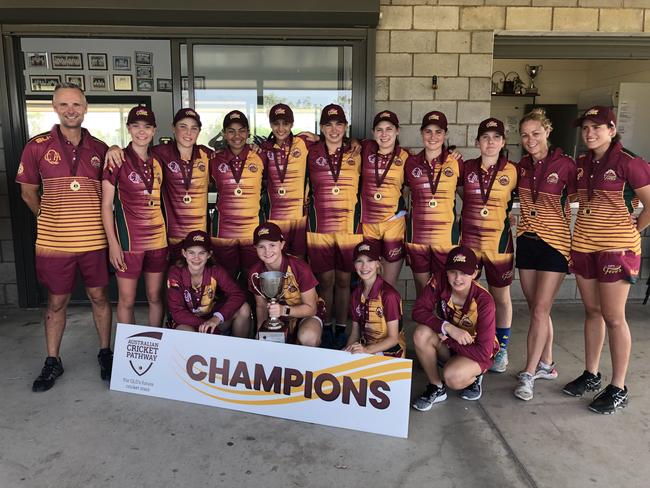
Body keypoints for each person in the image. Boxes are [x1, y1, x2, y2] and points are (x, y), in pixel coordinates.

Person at [16, 83, 113, 391]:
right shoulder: (37, 146)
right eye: (64, 105)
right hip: (54, 244)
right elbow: (28, 192)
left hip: (94, 242)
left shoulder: (100, 148)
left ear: (85, 108)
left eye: (77, 105)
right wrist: (50, 219)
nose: (71, 110)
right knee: (56, 302)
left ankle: (105, 353)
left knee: (99, 297)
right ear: (55, 108)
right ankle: (52, 360)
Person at [563, 106, 650, 414]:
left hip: (617, 249)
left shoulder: (630, 162)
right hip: (585, 245)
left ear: (612, 130)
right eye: (586, 127)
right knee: (593, 311)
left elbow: (649, 204)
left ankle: (619, 386)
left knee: (614, 317)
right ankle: (591, 374)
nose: (590, 132)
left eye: (597, 127)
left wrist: (633, 231)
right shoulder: (583, 162)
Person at [513, 109, 576, 401]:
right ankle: (547, 364)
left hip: (555, 245)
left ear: (548, 132)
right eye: (525, 135)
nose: (530, 139)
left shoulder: (566, 165)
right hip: (527, 241)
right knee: (538, 307)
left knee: (539, 310)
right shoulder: (522, 165)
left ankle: (528, 374)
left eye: (536, 133)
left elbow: (586, 194)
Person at [105, 108, 213, 264]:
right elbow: (137, 150)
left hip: (199, 237)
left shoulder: (207, 155)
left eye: (194, 128)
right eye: (183, 126)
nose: (188, 133)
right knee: (173, 282)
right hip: (171, 238)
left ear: (199, 131)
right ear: (173, 128)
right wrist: (113, 147)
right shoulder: (160, 153)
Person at [101, 106, 168, 327]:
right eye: (136, 126)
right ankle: (126, 353)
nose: (142, 131)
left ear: (154, 130)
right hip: (129, 244)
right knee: (127, 300)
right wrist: (113, 244)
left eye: (147, 127)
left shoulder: (158, 160)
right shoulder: (116, 159)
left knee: (156, 297)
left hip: (158, 241)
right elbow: (107, 204)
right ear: (128, 128)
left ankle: (156, 347)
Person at [460, 118, 517, 374]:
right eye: (485, 137)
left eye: (496, 137)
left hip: (499, 245)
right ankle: (473, 343)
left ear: (503, 142)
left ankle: (501, 348)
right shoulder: (466, 167)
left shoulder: (513, 170)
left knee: (501, 298)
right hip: (470, 244)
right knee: (467, 296)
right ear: (477, 142)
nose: (490, 142)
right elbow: (460, 191)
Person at [411, 246, 498, 410]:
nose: (458, 278)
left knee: (453, 377)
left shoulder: (484, 300)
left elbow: (484, 352)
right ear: (446, 271)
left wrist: (450, 341)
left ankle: (475, 376)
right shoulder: (439, 280)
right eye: (453, 272)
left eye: (465, 273)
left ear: (474, 273)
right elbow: (418, 311)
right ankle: (436, 387)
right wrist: (447, 327)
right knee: (421, 333)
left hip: (476, 351)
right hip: (451, 339)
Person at [306, 104, 363, 343]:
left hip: (349, 228)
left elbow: (383, 146)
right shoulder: (310, 150)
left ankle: (341, 326)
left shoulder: (358, 151)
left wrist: (358, 140)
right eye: (328, 124)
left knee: (344, 280)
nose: (334, 129)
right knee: (325, 281)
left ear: (345, 127)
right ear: (321, 128)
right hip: (320, 230)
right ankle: (325, 325)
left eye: (339, 124)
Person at [405, 111, 463, 296]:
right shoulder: (410, 162)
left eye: (438, 132)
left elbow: (468, 198)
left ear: (445, 134)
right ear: (421, 133)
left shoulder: (456, 162)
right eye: (428, 131)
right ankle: (425, 323)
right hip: (417, 238)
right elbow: (402, 194)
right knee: (422, 290)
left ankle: (442, 325)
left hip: (446, 239)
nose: (433, 137)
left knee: (444, 289)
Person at [210, 110, 266, 278]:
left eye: (241, 130)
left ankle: (253, 305)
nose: (237, 136)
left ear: (248, 133)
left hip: (253, 229)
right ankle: (232, 305)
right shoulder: (213, 159)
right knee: (226, 276)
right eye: (231, 131)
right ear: (224, 134)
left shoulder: (260, 156)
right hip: (223, 230)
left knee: (254, 275)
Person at [249, 222, 322, 346]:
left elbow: (311, 309)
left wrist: (284, 310)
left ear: (282, 244)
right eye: (261, 246)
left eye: (272, 245)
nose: (267, 251)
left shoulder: (299, 268)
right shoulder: (255, 273)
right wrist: (260, 331)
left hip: (305, 314)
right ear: (255, 247)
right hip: (276, 317)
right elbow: (261, 306)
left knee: (308, 337)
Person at [358, 111, 409, 287]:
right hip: (368, 224)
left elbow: (410, 187)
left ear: (397, 131)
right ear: (373, 132)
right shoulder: (364, 150)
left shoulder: (406, 157)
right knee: (368, 279)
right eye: (379, 130)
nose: (384, 134)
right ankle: (370, 312)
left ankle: (389, 313)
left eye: (389, 129)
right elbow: (343, 141)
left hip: (393, 222)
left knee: (388, 281)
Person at [167, 230, 251, 336]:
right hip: (187, 323)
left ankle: (239, 350)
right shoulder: (175, 273)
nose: (196, 258)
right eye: (191, 252)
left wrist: (217, 318)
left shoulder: (215, 270)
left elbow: (237, 294)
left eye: (201, 253)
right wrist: (207, 325)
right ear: (184, 253)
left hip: (213, 318)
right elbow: (177, 312)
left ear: (209, 254)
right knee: (186, 332)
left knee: (244, 308)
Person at [261, 104, 315, 259]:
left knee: (298, 261)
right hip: (274, 217)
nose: (280, 128)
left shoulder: (304, 142)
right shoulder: (263, 149)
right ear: (270, 124)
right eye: (276, 124)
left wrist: (320, 137)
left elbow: (334, 141)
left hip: (300, 217)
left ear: (292, 124)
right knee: (276, 260)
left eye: (285, 124)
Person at [345, 240, 405, 357]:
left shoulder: (389, 295)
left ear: (378, 263)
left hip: (391, 352)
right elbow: (355, 333)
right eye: (359, 261)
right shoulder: (356, 294)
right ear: (354, 264)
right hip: (366, 347)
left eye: (370, 260)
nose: (364, 266)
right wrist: (345, 355)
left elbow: (393, 339)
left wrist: (367, 350)